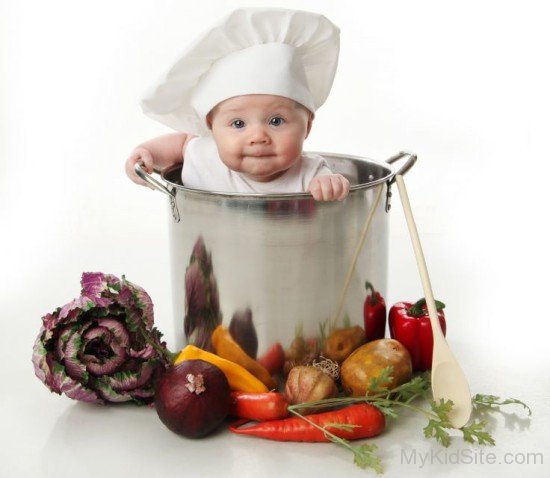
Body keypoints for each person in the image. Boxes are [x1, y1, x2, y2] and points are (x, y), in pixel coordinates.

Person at [125, 8, 350, 201]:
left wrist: (331, 185)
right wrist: (145, 153)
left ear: (307, 126)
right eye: (239, 123)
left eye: (276, 121)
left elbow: (330, 186)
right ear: (212, 127)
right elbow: (182, 142)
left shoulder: (312, 173)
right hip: (208, 250)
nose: (258, 136)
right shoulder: (206, 156)